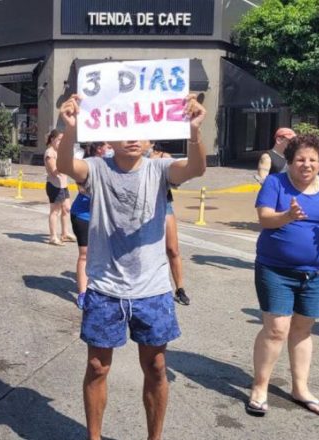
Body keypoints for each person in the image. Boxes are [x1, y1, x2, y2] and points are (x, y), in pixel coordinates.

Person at [57, 93, 207, 440]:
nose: (132, 137)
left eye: (141, 131)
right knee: (97, 367)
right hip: (105, 288)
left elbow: (195, 169)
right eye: (123, 130)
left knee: (156, 367)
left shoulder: (159, 169)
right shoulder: (96, 169)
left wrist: (195, 131)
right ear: (107, 137)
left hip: (152, 289)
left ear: (152, 137)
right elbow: (67, 166)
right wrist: (70, 127)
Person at [247, 134, 319, 417]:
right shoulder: (276, 183)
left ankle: (300, 388)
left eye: (312, 160)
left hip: (315, 273)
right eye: (300, 159)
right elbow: (264, 218)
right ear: (290, 162)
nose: (306, 164)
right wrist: (286, 216)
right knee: (276, 330)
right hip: (275, 269)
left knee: (303, 330)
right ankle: (260, 388)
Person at [146, 143, 191, 306]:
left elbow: (178, 180)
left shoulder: (164, 156)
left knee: (172, 248)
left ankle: (180, 289)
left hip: (164, 204)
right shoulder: (133, 156)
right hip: (140, 207)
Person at [70, 142, 112, 309]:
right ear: (99, 149)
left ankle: (102, 289)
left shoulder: (112, 166)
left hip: (103, 218)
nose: (111, 149)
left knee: (105, 255)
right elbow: (82, 189)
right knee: (85, 254)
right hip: (83, 215)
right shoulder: (85, 165)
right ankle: (82, 293)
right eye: (108, 146)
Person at [44, 129, 75, 246]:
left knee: (66, 209)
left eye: (63, 140)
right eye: (59, 140)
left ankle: (65, 234)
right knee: (54, 211)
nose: (61, 142)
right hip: (54, 185)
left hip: (63, 184)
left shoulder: (60, 152)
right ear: (52, 139)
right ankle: (53, 237)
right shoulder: (50, 153)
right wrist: (67, 166)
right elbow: (54, 171)